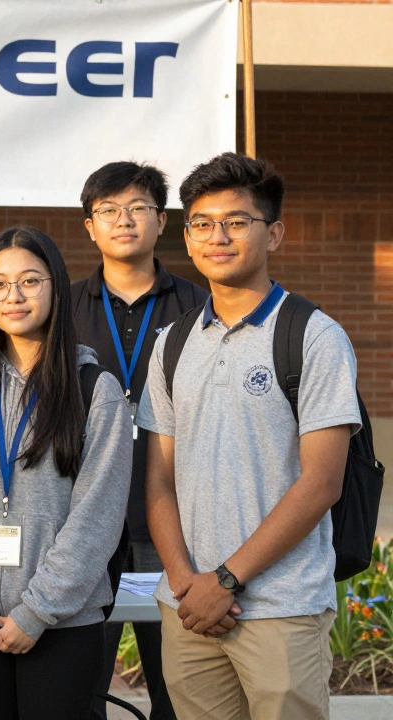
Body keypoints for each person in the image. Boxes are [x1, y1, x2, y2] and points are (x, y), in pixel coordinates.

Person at [137, 153, 361, 720]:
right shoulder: (172, 342)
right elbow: (160, 478)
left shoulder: (313, 337)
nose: (219, 236)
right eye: (203, 223)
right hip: (189, 610)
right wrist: (188, 582)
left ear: (275, 233)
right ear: (186, 237)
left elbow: (322, 483)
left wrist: (228, 579)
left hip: (281, 608)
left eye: (237, 222)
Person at [0, 226, 133, 720]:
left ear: (56, 288)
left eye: (31, 281)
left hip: (62, 624)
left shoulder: (93, 389)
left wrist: (35, 612)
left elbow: (96, 519)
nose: (13, 296)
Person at [71, 161, 207, 720]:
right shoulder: (61, 306)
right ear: (89, 227)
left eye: (137, 209)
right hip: (83, 519)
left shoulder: (201, 306)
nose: (123, 221)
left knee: (179, 683)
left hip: (173, 517)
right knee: (80, 686)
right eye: (108, 210)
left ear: (162, 221)